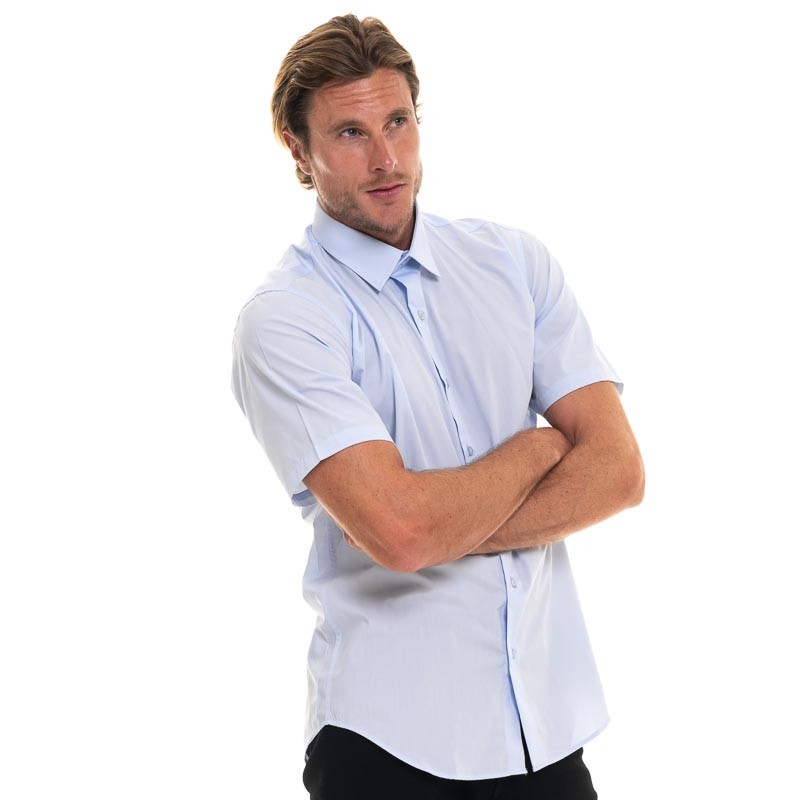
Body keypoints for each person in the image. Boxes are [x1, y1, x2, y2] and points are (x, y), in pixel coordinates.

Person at [230, 14, 644, 800]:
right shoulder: (287, 319)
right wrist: (538, 449)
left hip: (543, 734)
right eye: (350, 133)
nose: (386, 159)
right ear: (298, 150)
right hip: (387, 744)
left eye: (398, 122)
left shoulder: (514, 263)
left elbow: (619, 471)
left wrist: (440, 523)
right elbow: (403, 532)